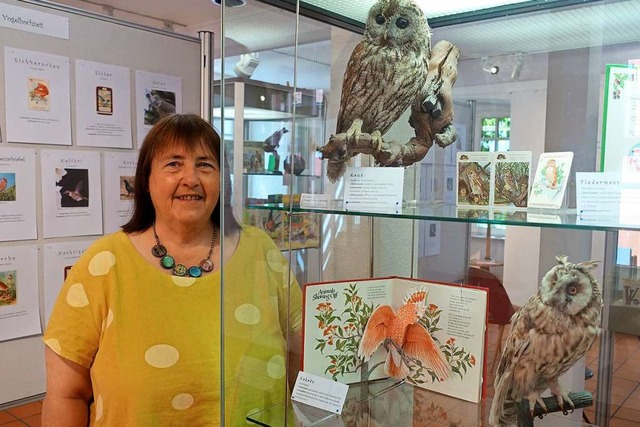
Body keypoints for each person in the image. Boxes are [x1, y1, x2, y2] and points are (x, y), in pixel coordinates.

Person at [42, 113, 302, 426]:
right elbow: (65, 394)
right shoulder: (103, 264)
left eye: (205, 164)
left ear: (223, 180)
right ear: (146, 181)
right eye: (173, 164)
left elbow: (300, 353)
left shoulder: (261, 251)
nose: (191, 178)